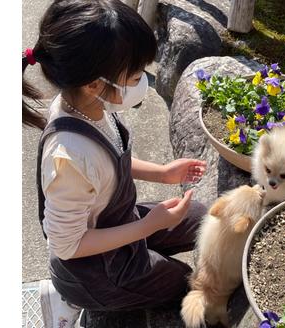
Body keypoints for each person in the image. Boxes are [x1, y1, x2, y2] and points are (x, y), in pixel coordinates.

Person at [22, 1, 207, 327]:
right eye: (135, 75)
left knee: (203, 221)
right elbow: (68, 245)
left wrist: (163, 174)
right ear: (94, 83)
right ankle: (68, 299)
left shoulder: (87, 104)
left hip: (115, 221)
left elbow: (111, 158)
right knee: (185, 281)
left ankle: (141, 255)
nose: (140, 83)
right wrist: (150, 226)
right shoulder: (67, 159)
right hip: (94, 269)